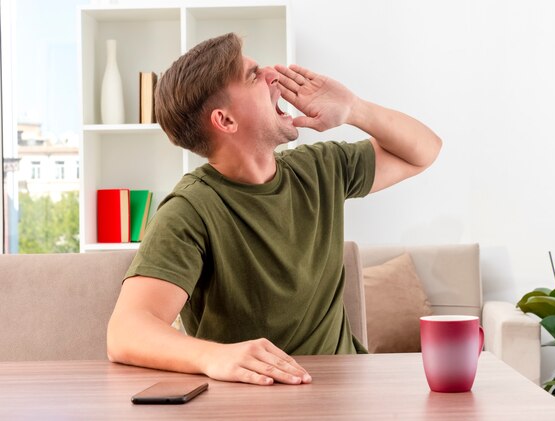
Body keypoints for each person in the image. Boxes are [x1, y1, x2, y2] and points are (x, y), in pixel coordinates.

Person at [107, 33, 442, 386]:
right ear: (225, 121)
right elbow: (126, 331)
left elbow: (425, 150)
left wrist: (354, 108)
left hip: (342, 390)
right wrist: (212, 356)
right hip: (253, 401)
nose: (274, 75)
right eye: (253, 75)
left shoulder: (319, 168)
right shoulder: (189, 210)